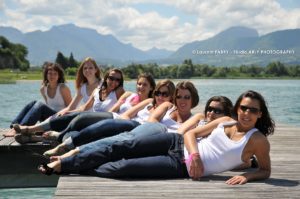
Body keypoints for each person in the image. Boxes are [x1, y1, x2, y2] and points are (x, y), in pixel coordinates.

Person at [39, 90, 275, 185]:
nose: (246, 113)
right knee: (124, 144)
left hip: (179, 166)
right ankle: (62, 164)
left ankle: (79, 167)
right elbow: (191, 133)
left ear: (259, 114)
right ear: (238, 108)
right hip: (176, 143)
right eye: (244, 108)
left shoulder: (258, 141)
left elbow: (265, 170)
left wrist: (246, 177)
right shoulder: (225, 121)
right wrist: (196, 156)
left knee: (123, 168)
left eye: (252, 110)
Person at [39, 80, 200, 169]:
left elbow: (181, 131)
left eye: (187, 97)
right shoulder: (167, 106)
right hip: (153, 130)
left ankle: (74, 156)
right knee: (121, 140)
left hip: (166, 141)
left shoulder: (197, 116)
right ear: (175, 98)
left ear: (193, 99)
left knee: (121, 152)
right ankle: (72, 153)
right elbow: (152, 120)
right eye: (179, 97)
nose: (182, 101)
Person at [43, 79, 175, 157]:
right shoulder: (148, 102)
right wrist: (118, 122)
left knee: (103, 131)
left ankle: (68, 148)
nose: (160, 96)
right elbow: (128, 114)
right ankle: (65, 143)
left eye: (165, 94)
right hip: (129, 123)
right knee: (102, 126)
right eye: (158, 92)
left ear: (171, 96)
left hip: (140, 129)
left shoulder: (169, 108)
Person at [14, 73, 155, 143]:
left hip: (121, 124)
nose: (140, 87)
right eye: (139, 84)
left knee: (77, 128)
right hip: (110, 118)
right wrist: (99, 118)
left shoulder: (150, 103)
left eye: (145, 85)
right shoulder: (129, 95)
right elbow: (114, 110)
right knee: (73, 117)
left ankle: (36, 138)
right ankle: (30, 130)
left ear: (151, 88)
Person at [4, 62, 72, 137]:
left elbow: (71, 108)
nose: (52, 76)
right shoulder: (43, 89)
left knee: (40, 105)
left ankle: (20, 128)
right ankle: (13, 127)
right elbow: (48, 106)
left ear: (59, 76)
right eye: (50, 73)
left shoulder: (63, 88)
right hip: (50, 119)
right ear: (46, 75)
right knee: (33, 103)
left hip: (61, 120)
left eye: (55, 73)